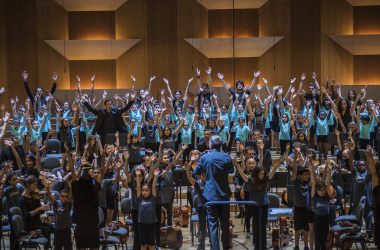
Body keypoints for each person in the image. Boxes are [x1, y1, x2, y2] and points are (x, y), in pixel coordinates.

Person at [193, 135, 234, 250]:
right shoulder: (226, 156)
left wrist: (201, 159)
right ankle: (226, 247)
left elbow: (196, 172)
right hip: (224, 195)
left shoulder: (205, 157)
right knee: (225, 224)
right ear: (221, 145)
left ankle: (215, 248)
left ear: (210, 145)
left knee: (213, 224)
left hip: (211, 195)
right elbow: (231, 170)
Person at [236, 153, 283, 249]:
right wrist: (237, 164)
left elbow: (273, 170)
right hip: (255, 205)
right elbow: (242, 174)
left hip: (264, 205)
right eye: (260, 174)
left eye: (263, 174)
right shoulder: (251, 180)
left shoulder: (266, 179)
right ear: (256, 173)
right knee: (256, 226)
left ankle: (264, 245)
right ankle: (257, 246)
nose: (262, 176)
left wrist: (278, 162)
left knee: (263, 226)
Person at [71, 143, 102, 250]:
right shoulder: (94, 191)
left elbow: (73, 176)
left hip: (80, 227)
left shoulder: (76, 192)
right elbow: (101, 175)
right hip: (93, 227)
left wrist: (68, 153)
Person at [19, 175, 53, 249]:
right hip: (29, 224)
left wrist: (47, 204)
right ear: (28, 185)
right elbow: (27, 215)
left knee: (53, 227)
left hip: (37, 222)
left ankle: (50, 247)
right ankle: (47, 248)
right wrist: (39, 208)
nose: (36, 187)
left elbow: (41, 212)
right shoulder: (22, 199)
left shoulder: (34, 196)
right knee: (47, 230)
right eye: (34, 185)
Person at [310, 158, 333, 250]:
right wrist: (312, 170)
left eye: (323, 190)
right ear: (317, 191)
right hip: (317, 219)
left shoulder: (327, 196)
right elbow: (313, 182)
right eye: (320, 190)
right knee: (317, 242)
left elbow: (327, 182)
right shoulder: (315, 196)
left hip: (326, 219)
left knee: (324, 242)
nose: (322, 192)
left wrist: (329, 170)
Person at [136, 166, 159, 250]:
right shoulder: (140, 199)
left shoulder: (153, 198)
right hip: (142, 225)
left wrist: (155, 176)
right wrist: (138, 176)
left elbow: (153, 186)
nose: (144, 192)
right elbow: (138, 186)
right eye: (143, 191)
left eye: (146, 191)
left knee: (152, 245)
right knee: (143, 245)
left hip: (152, 224)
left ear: (150, 192)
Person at [292, 149, 311, 250]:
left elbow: (312, 173)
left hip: (307, 209)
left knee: (306, 229)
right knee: (297, 229)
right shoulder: (296, 182)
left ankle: (306, 246)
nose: (307, 176)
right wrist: (295, 158)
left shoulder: (309, 183)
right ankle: (296, 246)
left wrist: (310, 160)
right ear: (300, 176)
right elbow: (294, 170)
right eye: (305, 175)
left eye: (308, 175)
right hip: (298, 209)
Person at [46, 184, 73, 250]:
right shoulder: (56, 204)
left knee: (68, 246)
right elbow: (50, 197)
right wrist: (47, 188)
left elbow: (71, 197)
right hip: (58, 229)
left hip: (66, 228)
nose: (64, 198)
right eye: (62, 196)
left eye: (66, 197)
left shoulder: (68, 204)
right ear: (59, 197)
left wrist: (70, 187)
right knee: (58, 246)